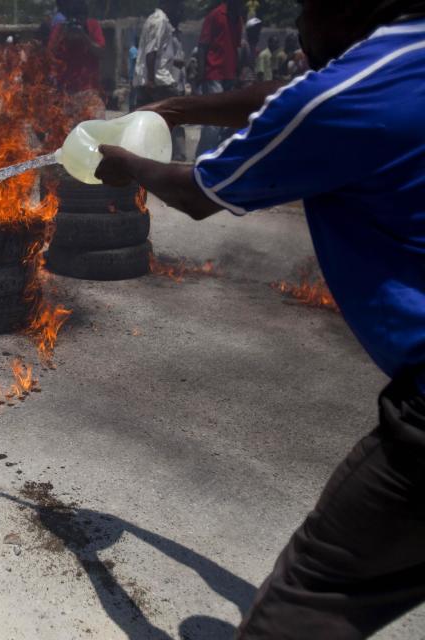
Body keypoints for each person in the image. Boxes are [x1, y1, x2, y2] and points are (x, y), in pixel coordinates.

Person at [96, 0, 425, 635]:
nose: (300, 24)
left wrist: (128, 165)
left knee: (311, 598)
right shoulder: (404, 54)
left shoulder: (342, 96)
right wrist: (178, 107)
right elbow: (298, 94)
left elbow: (197, 194)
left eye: (306, 8)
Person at [132, 0, 185, 160]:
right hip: (159, 81)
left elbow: (157, 52)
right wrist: (151, 80)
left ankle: (147, 157)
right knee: (174, 117)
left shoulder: (154, 19)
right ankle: (178, 157)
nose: (178, 8)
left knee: (146, 122)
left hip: (150, 79)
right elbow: (151, 51)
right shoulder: (160, 20)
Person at [194, 0, 244, 156]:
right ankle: (202, 156)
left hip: (230, 75)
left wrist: (237, 74)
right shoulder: (215, 15)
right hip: (213, 73)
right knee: (214, 120)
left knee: (226, 120)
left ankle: (215, 155)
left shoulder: (238, 19)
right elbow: (203, 45)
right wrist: (201, 73)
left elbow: (236, 48)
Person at [49, 0, 107, 100]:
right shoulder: (60, 28)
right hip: (65, 92)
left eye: (80, 19)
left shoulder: (92, 26)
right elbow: (49, 54)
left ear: (85, 17)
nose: (76, 23)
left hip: (89, 90)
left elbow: (101, 53)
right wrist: (63, 36)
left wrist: (85, 37)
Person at [238, 17, 262, 87]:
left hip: (254, 80)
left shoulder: (255, 47)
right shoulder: (243, 45)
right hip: (244, 81)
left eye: (258, 30)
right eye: (255, 30)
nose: (258, 32)